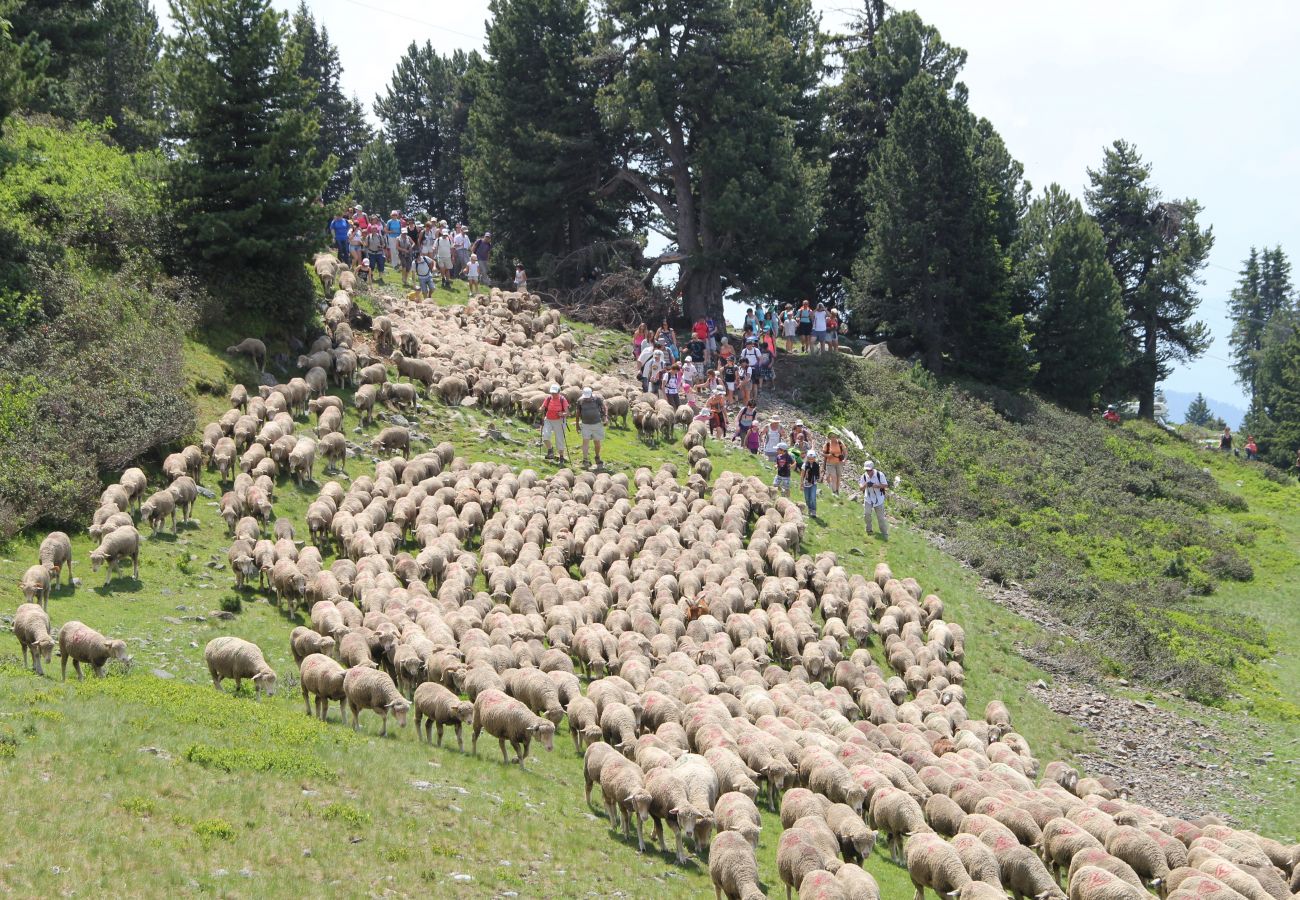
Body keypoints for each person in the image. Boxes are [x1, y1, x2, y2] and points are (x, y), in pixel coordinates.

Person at [574, 387, 608, 467]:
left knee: (597, 443)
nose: (587, 399)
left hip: (597, 424)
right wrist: (577, 425)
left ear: (591, 395)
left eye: (588, 397)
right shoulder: (580, 401)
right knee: (585, 442)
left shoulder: (597, 399)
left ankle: (597, 456)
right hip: (586, 424)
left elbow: (604, 407)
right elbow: (578, 413)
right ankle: (585, 459)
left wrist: (606, 417)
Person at [858, 459, 888, 538]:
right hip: (868, 498)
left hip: (879, 499)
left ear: (872, 469)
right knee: (866, 514)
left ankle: (884, 533)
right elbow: (860, 488)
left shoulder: (879, 475)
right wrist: (866, 485)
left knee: (880, 518)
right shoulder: (864, 476)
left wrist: (876, 486)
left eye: (869, 470)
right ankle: (869, 530)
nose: (868, 472)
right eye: (866, 470)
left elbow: (885, 485)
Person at [540, 384, 569, 463]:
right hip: (548, 419)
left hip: (559, 421)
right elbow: (543, 406)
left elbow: (567, 413)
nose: (553, 394)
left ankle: (561, 457)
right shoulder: (548, 398)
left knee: (559, 439)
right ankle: (550, 451)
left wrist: (562, 414)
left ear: (559, 392)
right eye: (552, 393)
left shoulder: (562, 399)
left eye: (555, 393)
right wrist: (541, 409)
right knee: (545, 436)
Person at [801, 450, 821, 517]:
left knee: (813, 497)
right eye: (809, 459)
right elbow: (802, 475)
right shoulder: (805, 465)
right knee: (807, 498)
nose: (811, 460)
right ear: (807, 458)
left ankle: (814, 511)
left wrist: (819, 478)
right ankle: (809, 508)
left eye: (812, 459)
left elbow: (818, 473)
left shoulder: (816, 465)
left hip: (813, 483)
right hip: (806, 483)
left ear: (815, 458)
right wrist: (801, 484)